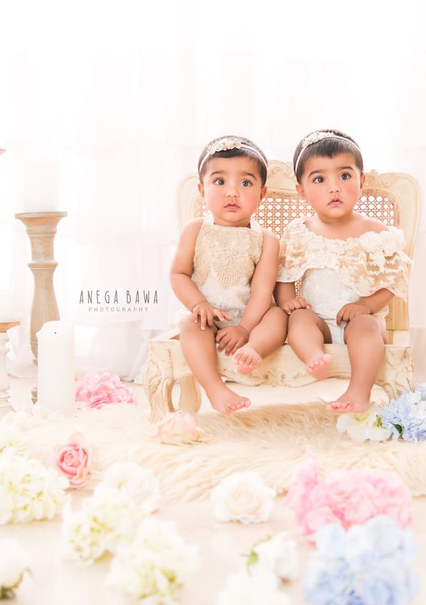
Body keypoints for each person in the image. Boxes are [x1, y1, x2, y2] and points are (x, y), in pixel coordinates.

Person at [276, 129, 411, 413]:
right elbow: (285, 274)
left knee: (366, 325)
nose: (334, 187)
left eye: (345, 176)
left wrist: (365, 305)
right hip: (318, 323)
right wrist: (289, 301)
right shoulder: (300, 232)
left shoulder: (377, 232)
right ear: (301, 190)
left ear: (361, 182)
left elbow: (392, 281)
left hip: (359, 323)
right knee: (299, 319)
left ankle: (358, 391)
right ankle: (315, 358)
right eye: (320, 179)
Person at [169, 135, 285, 414]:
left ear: (262, 194)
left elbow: (261, 291)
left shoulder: (267, 239)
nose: (232, 192)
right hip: (207, 316)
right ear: (202, 188)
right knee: (190, 327)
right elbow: (179, 274)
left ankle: (253, 349)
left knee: (279, 315)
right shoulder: (195, 229)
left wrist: (245, 328)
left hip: (251, 319)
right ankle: (215, 388)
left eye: (245, 183)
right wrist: (199, 305)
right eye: (220, 182)